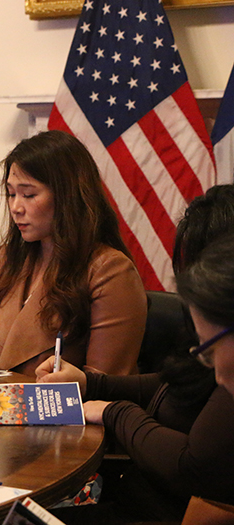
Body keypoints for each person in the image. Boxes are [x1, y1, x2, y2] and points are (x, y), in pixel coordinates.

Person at [36, 185, 234, 523]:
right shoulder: (211, 347)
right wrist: (91, 384)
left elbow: (190, 466)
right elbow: (175, 386)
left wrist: (115, 412)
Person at [0, 130, 146, 376]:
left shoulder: (110, 270)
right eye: (11, 194)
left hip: (64, 412)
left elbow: (105, 385)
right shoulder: (7, 259)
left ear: (67, 197)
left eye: (29, 195)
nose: (15, 207)